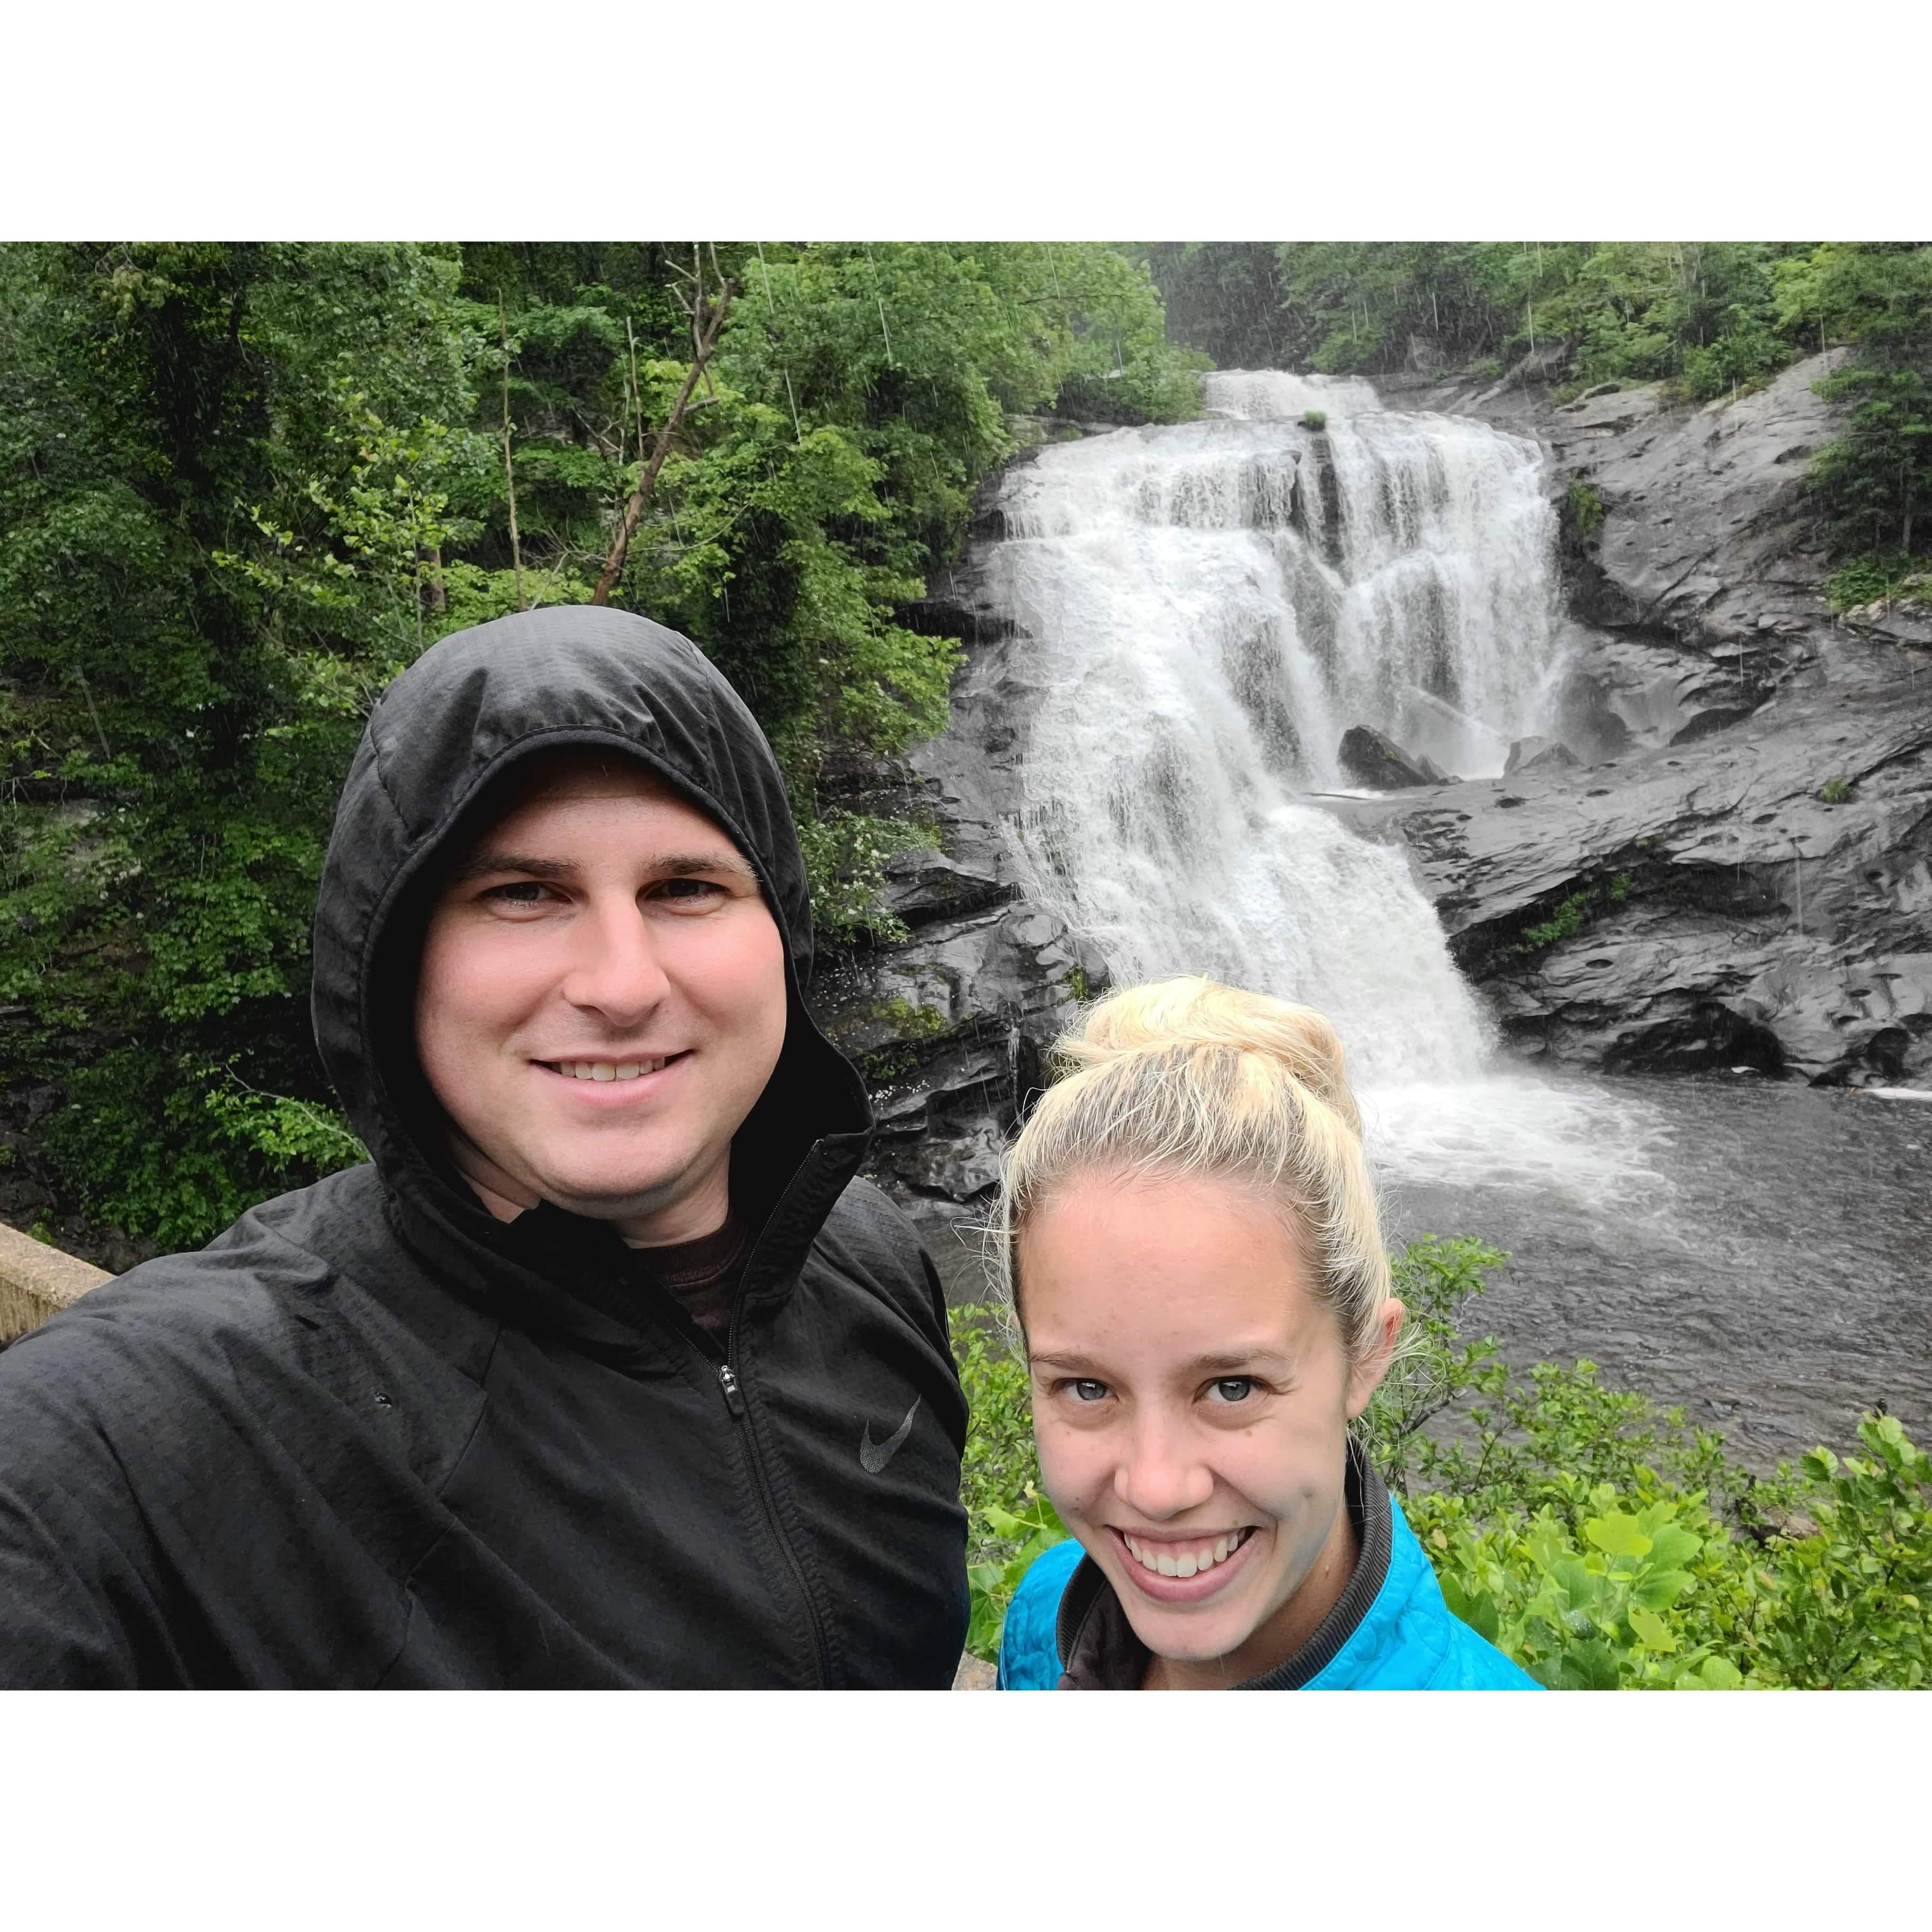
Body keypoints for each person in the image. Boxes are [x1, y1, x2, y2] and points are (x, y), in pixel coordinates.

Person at [0, 606, 969, 1688]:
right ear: (395, 957)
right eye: (523, 894)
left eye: (685, 889)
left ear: (779, 929)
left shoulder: (871, 1266)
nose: (622, 983)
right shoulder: (162, 1427)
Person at [994, 977, 1535, 1690]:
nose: (1157, 1488)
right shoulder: (1045, 1611)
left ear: (1365, 1356)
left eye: (1232, 1386)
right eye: (1087, 1387)